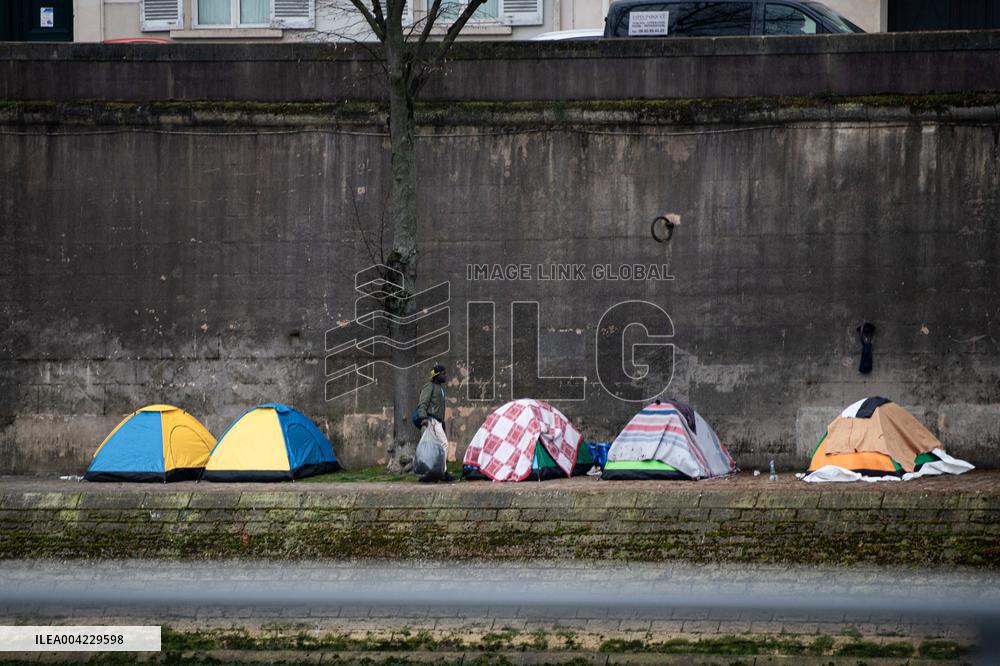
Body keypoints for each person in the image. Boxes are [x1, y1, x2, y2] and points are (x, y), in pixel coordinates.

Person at [415, 364, 454, 482]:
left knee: (438, 446)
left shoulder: (440, 388)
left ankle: (434, 471)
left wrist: (442, 421)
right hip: (430, 420)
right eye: (443, 373)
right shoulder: (429, 386)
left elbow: (438, 408)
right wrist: (423, 417)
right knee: (443, 444)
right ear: (437, 375)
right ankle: (442, 472)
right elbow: (423, 403)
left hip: (437, 421)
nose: (446, 375)